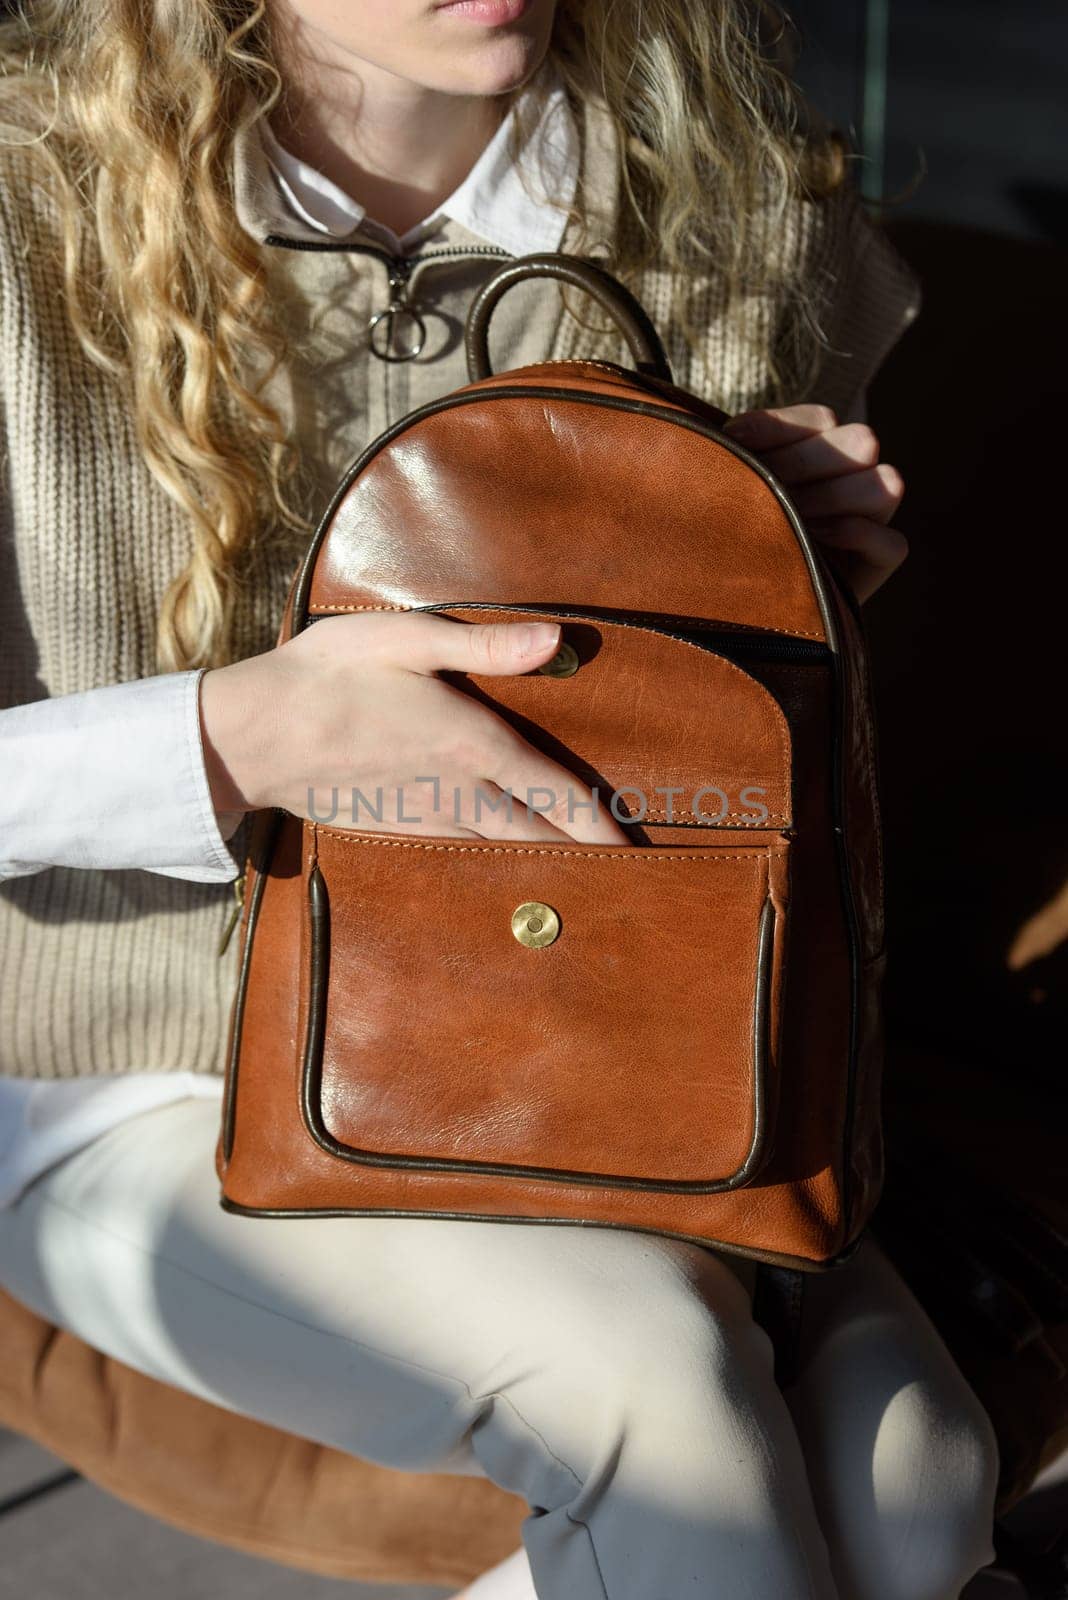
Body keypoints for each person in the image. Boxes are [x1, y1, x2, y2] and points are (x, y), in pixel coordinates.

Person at [0, 2, 1001, 1597]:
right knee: (658, 1411)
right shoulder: (27, 213)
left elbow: (729, 801)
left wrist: (799, 607)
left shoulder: (729, 206)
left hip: (642, 1045)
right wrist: (234, 735)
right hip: (123, 1067)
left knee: (920, 1488)